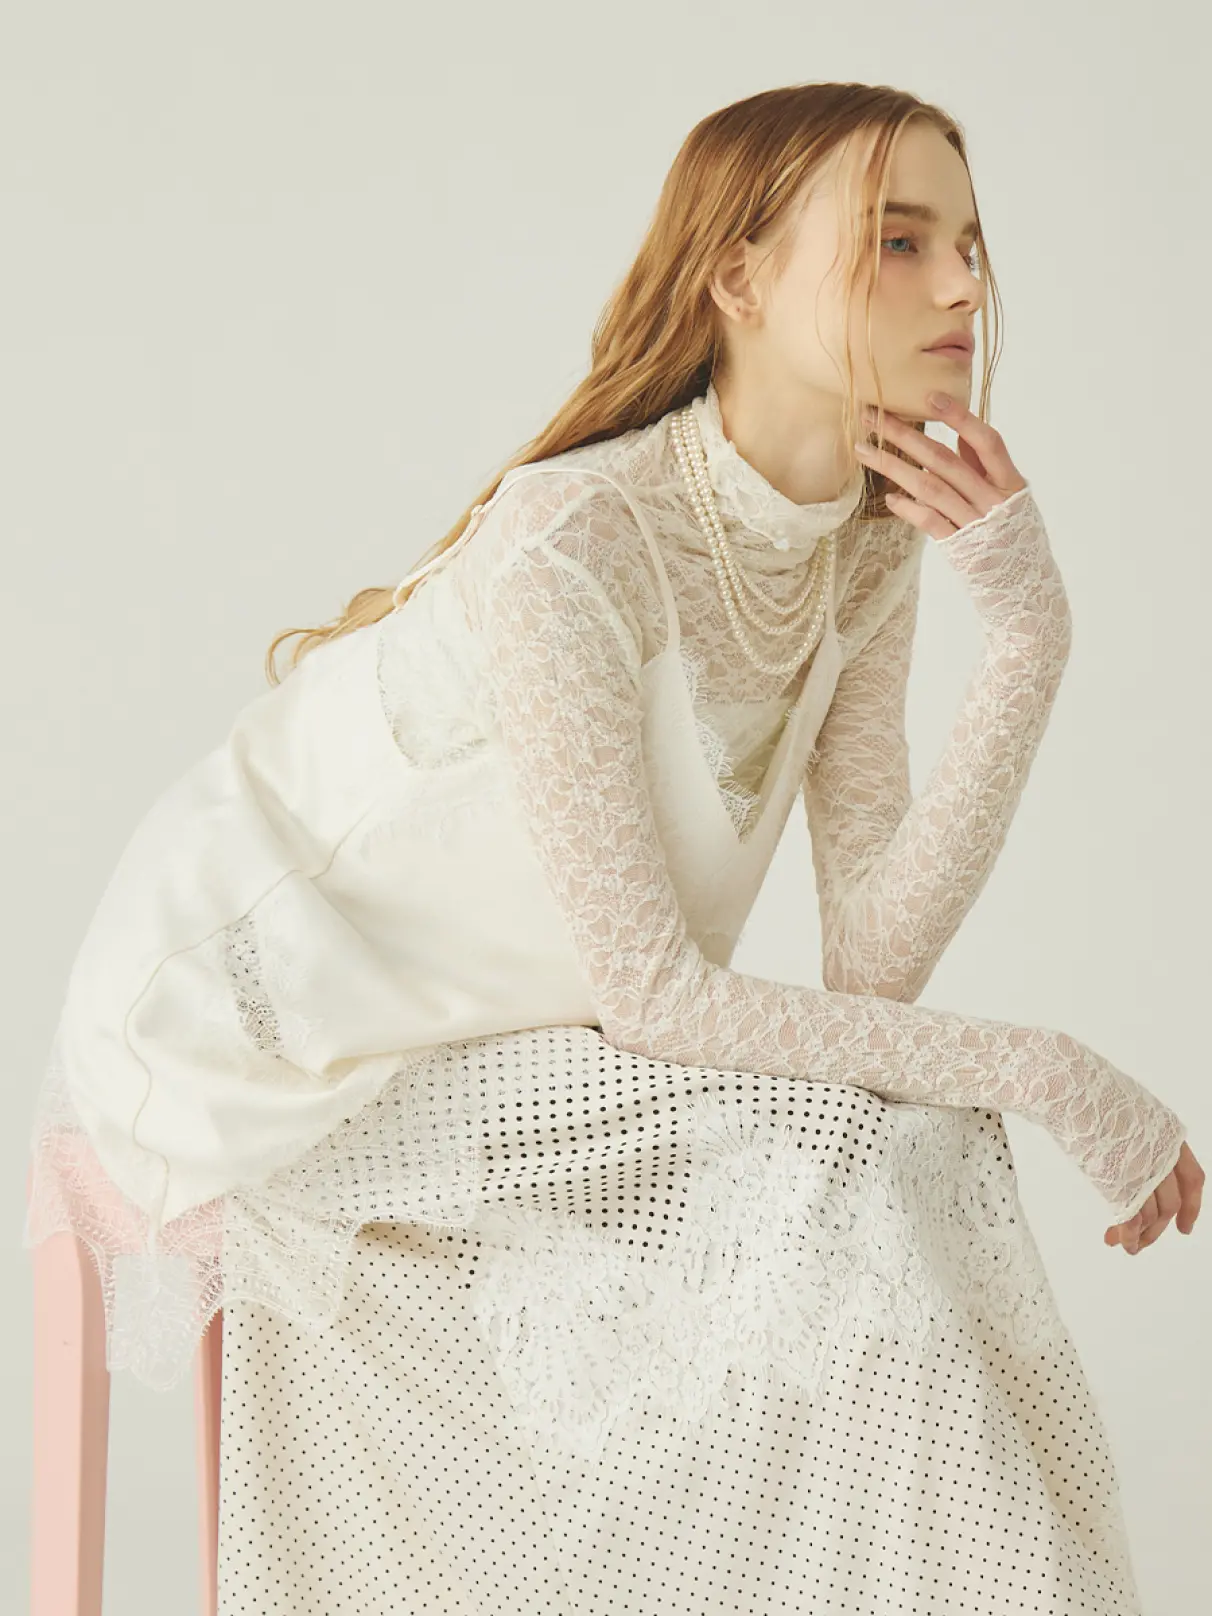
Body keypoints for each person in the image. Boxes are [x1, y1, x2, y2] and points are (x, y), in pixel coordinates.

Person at [24, 81, 1202, 1614]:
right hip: (265, 1039)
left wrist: (1029, 641)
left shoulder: (865, 551)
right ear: (740, 277)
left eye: (971, 245)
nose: (966, 289)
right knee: (867, 1159)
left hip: (511, 1027)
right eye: (900, 241)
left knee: (920, 1144)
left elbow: (871, 968)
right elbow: (655, 997)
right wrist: (1050, 1067)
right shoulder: (572, 539)